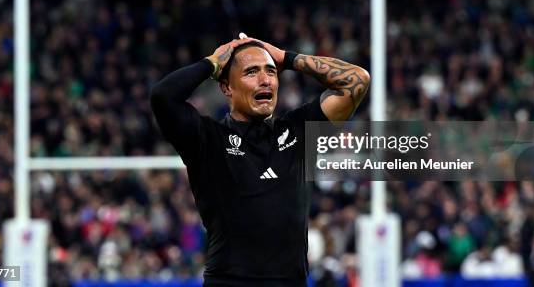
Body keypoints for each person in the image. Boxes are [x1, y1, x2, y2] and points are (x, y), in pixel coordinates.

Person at [150, 36, 370, 286]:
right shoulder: (207, 139)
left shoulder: (299, 131)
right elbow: (162, 97)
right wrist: (212, 63)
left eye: (271, 72)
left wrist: (287, 58)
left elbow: (357, 80)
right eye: (251, 72)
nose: (265, 80)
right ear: (226, 88)